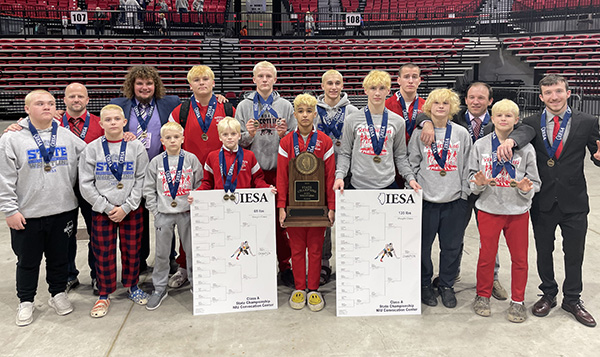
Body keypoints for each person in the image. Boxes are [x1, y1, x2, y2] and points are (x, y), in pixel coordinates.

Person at [419, 82, 536, 299]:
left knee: (489, 239)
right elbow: (428, 113)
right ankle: (450, 276)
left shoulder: (500, 119)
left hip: (491, 188)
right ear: (465, 100)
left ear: (490, 102)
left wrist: (511, 140)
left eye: (481, 98)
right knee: (454, 237)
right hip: (463, 185)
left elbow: (527, 129)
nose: (475, 101)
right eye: (472, 97)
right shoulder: (454, 117)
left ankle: (492, 279)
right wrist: (426, 122)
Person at [0, 90, 86, 326]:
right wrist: (9, 210)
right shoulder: (11, 139)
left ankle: (57, 294)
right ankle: (26, 301)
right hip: (27, 213)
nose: (46, 107)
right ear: (27, 109)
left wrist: (125, 137)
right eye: (39, 103)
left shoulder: (66, 135)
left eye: (50, 103)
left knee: (59, 258)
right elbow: (4, 177)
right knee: (27, 260)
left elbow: (92, 153)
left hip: (63, 210)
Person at [524, 74, 600, 328]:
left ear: (568, 93)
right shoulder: (531, 123)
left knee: (574, 253)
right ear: (541, 96)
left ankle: (572, 298)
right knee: (544, 251)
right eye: (548, 93)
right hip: (543, 199)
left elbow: (596, 153)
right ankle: (548, 293)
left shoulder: (588, 121)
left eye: (558, 91)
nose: (554, 97)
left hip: (574, 200)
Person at [468, 99, 541, 322]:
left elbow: (535, 182)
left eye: (508, 116)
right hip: (489, 210)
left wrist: (526, 190)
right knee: (486, 256)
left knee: (520, 259)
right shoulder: (480, 145)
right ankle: (482, 295)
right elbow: (471, 179)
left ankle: (518, 301)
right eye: (499, 115)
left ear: (516, 120)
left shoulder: (526, 149)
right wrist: (478, 183)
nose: (503, 119)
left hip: (517, 211)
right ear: (492, 118)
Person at [79, 104, 150, 318]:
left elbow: (141, 178)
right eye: (107, 120)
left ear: (124, 122)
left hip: (130, 209)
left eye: (116, 119)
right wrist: (107, 207)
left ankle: (132, 286)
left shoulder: (136, 146)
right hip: (103, 210)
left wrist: (128, 206)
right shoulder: (92, 148)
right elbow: (85, 183)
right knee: (103, 252)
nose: (112, 123)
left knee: (132, 249)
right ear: (100, 124)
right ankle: (104, 292)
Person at [110, 65, 181, 274]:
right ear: (132, 85)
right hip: (131, 174)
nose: (144, 87)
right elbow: (103, 125)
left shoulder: (170, 103)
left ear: (155, 85)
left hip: (162, 170)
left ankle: (169, 259)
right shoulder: (118, 106)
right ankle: (138, 261)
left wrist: (221, 98)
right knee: (136, 219)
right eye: (139, 83)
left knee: (166, 217)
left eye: (149, 83)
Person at [167, 65, 233, 288]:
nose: (202, 83)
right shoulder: (180, 111)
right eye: (197, 80)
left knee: (223, 221)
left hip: (222, 173)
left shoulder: (227, 107)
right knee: (187, 223)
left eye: (206, 79)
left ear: (213, 83)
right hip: (190, 173)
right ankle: (184, 267)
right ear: (190, 84)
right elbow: (170, 137)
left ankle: (223, 263)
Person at [408, 88, 471, 309]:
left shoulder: (461, 134)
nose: (441, 106)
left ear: (452, 107)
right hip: (426, 201)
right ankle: (425, 284)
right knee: (424, 247)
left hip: (454, 201)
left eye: (445, 103)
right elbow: (412, 162)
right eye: (436, 103)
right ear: (429, 107)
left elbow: (467, 166)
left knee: (452, 247)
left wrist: (464, 195)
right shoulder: (419, 133)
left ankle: (446, 285)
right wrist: (415, 186)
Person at [235, 61, 296, 287]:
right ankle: (255, 265)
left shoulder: (285, 106)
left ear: (275, 79)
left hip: (278, 171)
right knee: (253, 221)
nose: (264, 80)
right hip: (252, 173)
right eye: (260, 76)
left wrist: (284, 134)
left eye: (268, 76)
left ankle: (285, 265)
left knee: (282, 223)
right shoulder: (243, 106)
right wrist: (249, 135)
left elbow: (293, 142)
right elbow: (237, 141)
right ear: (253, 80)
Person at [277, 93, 335, 311]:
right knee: (297, 249)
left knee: (316, 248)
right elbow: (281, 176)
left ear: (314, 114)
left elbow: (329, 176)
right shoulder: (285, 142)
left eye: (309, 111)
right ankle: (300, 287)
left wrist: (331, 207)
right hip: (294, 207)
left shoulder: (325, 142)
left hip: (318, 207)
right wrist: (281, 206)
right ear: (294, 114)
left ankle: (314, 289)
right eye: (300, 111)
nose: (304, 115)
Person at [143, 122, 202, 310]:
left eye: (176, 137)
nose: (172, 140)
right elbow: (148, 189)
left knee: (192, 251)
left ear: (183, 139)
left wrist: (196, 205)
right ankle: (159, 288)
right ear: (162, 141)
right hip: (164, 214)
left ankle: (196, 284)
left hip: (187, 213)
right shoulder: (156, 162)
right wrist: (156, 211)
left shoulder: (191, 160)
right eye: (168, 138)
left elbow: (200, 183)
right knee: (161, 254)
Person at [333, 70, 420, 192]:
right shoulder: (352, 119)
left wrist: (410, 178)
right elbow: (345, 153)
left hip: (388, 185)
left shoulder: (398, 121)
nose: (377, 93)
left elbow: (400, 156)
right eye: (373, 88)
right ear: (366, 90)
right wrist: (339, 177)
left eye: (382, 88)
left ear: (388, 91)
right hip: (358, 185)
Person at [316, 70, 359, 285]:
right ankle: (324, 262)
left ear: (343, 85)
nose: (334, 87)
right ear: (322, 85)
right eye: (329, 83)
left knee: (349, 219)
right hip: (320, 172)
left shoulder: (352, 111)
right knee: (324, 220)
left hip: (347, 172)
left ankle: (349, 260)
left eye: (338, 83)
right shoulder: (313, 110)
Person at [196, 116, 271, 191]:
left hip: (244, 200)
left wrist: (267, 188)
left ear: (239, 135)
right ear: (219, 137)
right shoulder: (212, 156)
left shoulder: (249, 155)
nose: (229, 137)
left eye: (233, 134)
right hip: (220, 201)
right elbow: (207, 182)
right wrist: (197, 194)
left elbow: (257, 179)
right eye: (225, 134)